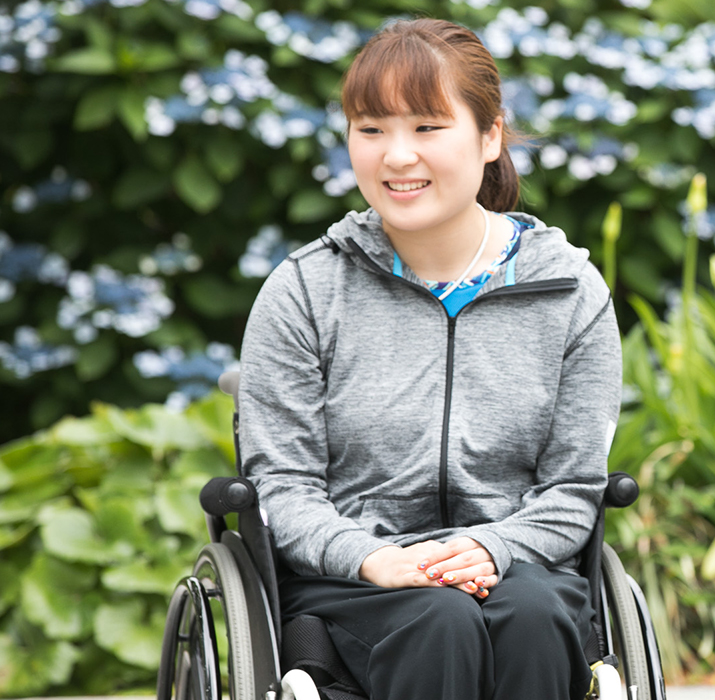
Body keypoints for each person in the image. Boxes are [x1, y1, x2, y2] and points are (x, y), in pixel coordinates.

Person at [238, 18, 621, 700]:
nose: (395, 157)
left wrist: (493, 548)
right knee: (439, 620)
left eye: (426, 127)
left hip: (521, 565)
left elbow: (573, 491)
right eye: (371, 128)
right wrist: (376, 559)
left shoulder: (570, 291)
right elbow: (285, 489)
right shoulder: (304, 290)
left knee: (532, 617)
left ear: (490, 135)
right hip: (354, 581)